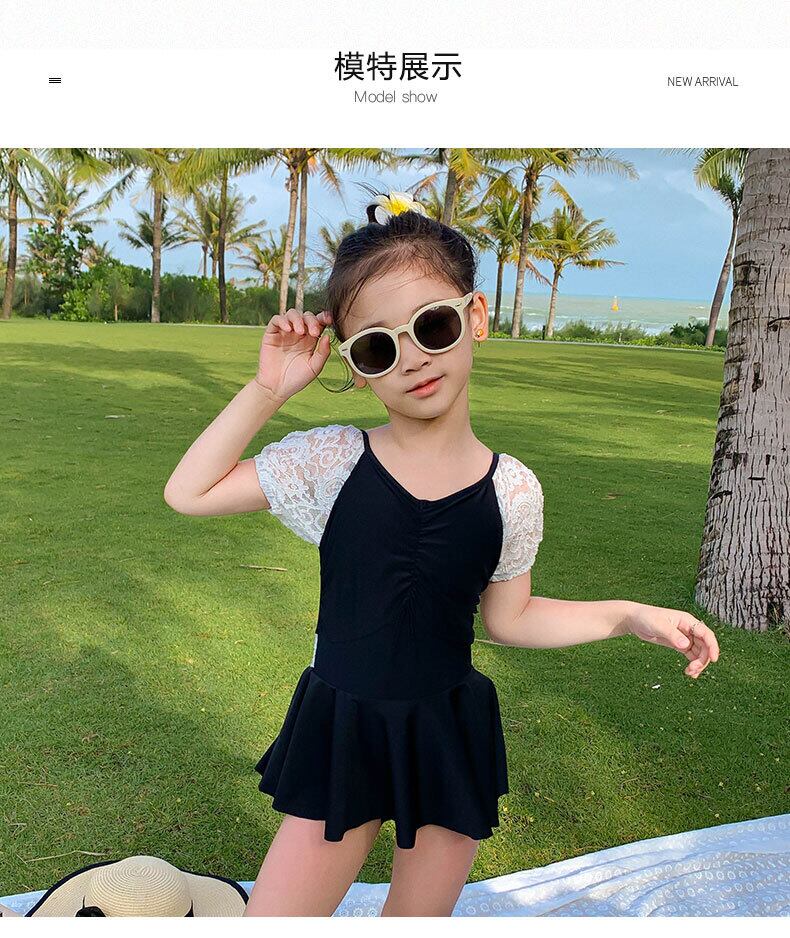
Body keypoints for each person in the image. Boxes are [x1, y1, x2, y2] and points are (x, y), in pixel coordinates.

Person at [163, 191, 720, 917]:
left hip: (447, 736)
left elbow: (510, 618)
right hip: (344, 730)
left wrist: (626, 615)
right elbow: (190, 492)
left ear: (475, 317)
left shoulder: (511, 490)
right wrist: (269, 389)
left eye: (432, 325)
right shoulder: (333, 463)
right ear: (357, 367)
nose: (415, 359)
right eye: (378, 346)